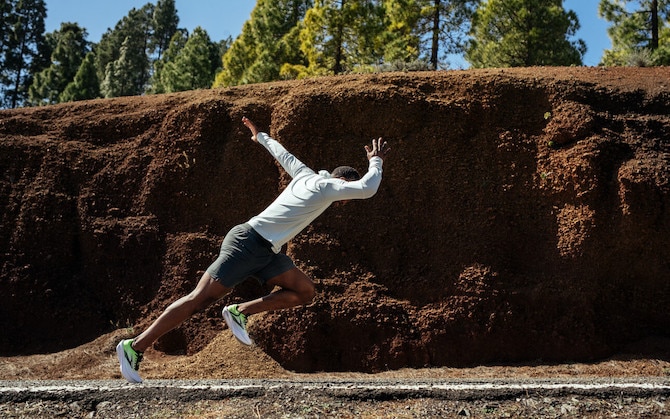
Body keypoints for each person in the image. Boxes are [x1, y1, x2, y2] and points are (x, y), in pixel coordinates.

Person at [116, 117, 390, 383]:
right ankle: (135, 346)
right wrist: (375, 162)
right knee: (199, 299)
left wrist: (261, 136)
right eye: (345, 195)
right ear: (341, 181)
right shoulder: (328, 186)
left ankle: (240, 311)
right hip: (247, 242)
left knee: (305, 291)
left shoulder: (305, 175)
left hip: (267, 252)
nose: (342, 201)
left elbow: (284, 155)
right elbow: (367, 188)